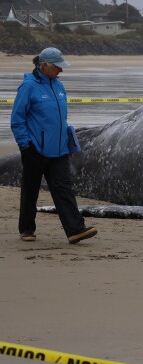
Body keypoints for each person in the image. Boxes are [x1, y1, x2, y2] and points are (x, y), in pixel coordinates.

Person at [10, 48, 97, 244]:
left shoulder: (59, 86)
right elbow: (17, 119)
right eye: (58, 67)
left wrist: (70, 144)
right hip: (35, 149)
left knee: (64, 189)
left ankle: (75, 230)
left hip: (59, 150)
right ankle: (26, 229)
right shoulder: (28, 87)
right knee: (30, 190)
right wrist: (26, 146)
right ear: (44, 66)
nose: (61, 70)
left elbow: (62, 120)